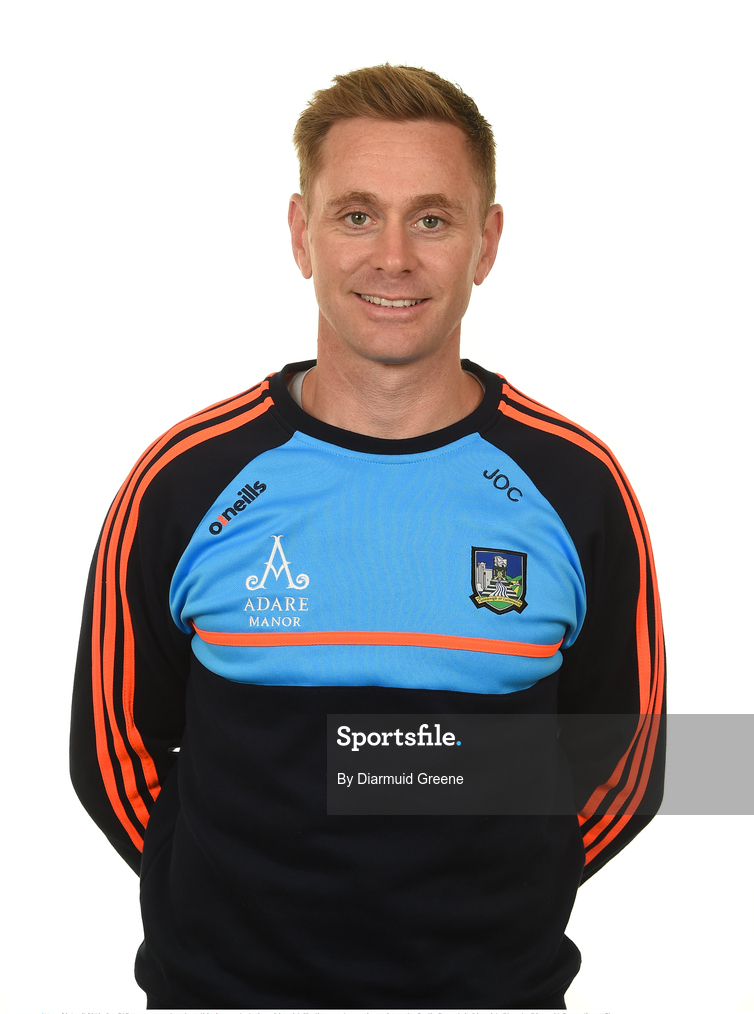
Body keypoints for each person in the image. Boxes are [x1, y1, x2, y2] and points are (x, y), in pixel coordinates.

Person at [70, 64, 665, 1010]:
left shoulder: (576, 486)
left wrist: (505, 900)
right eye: (356, 215)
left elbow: (624, 753)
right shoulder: (183, 479)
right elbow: (110, 747)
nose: (394, 256)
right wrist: (214, 902)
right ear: (301, 234)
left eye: (432, 218)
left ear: (487, 242)